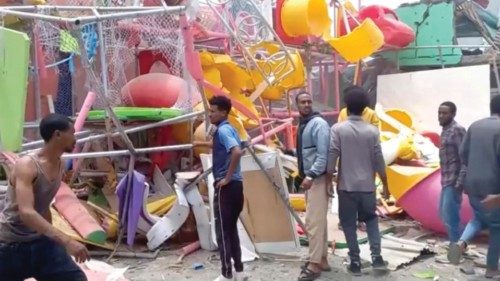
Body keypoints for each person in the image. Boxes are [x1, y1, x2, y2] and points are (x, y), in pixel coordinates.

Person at [0, 113, 89, 281]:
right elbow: (27, 212)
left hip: (40, 242)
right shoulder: (27, 165)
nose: (75, 138)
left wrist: (54, 243)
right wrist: (66, 241)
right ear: (57, 134)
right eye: (72, 133)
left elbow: (44, 205)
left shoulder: (60, 163)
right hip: (10, 246)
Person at [327, 87, 388, 276]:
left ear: (346, 106)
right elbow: (379, 159)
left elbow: (332, 156)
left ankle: (355, 261)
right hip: (368, 187)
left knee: (348, 224)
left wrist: (329, 180)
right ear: (365, 108)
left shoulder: (338, 129)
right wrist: (386, 184)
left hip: (346, 186)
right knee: (371, 221)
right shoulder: (372, 131)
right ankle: (377, 257)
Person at [195, 96, 245, 281]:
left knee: (223, 232)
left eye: (213, 111)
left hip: (227, 187)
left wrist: (226, 178)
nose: (210, 114)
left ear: (223, 112)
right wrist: (200, 144)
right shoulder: (229, 129)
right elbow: (224, 147)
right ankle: (239, 272)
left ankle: (226, 274)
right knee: (231, 231)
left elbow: (237, 152)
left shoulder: (223, 131)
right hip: (236, 188)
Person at [456, 95, 500, 278]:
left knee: (478, 218)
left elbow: (462, 154)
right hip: (494, 187)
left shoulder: (475, 125)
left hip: (473, 184)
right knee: (497, 226)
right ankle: (491, 269)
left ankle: (461, 243)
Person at [291, 92, 331, 281]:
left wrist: (310, 175)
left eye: (309, 101)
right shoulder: (304, 123)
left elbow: (323, 156)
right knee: (318, 221)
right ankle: (321, 259)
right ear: (296, 105)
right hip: (311, 179)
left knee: (313, 223)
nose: (306, 104)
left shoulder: (318, 124)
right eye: (302, 102)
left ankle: (314, 265)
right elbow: (307, 152)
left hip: (317, 179)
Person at [437, 101, 467, 243]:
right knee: (444, 215)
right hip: (446, 180)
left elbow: (465, 158)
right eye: (439, 113)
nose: (441, 116)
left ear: (453, 114)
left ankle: (457, 248)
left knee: (450, 217)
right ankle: (461, 243)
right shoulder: (444, 131)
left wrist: (460, 182)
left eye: (445, 113)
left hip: (454, 180)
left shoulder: (457, 130)